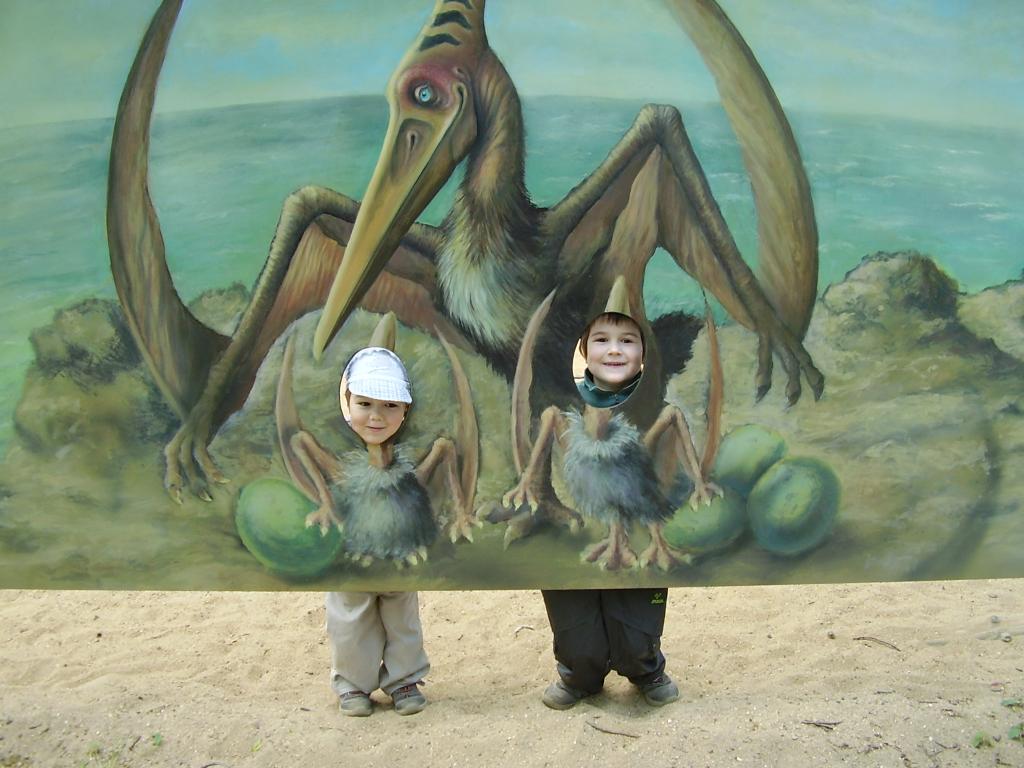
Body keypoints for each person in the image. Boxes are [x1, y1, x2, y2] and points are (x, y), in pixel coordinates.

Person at [541, 309, 679, 710]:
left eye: (627, 341)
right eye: (602, 340)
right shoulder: (562, 400)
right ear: (583, 349)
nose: (614, 350)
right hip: (585, 515)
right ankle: (578, 674)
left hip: (634, 517)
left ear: (643, 352)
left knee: (636, 623)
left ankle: (645, 668)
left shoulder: (650, 402)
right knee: (576, 624)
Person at [325, 346, 430, 717]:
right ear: (347, 402)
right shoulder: (336, 451)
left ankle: (404, 680)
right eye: (365, 403)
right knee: (349, 613)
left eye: (389, 405)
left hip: (398, 544)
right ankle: (352, 684)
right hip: (354, 546)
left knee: (402, 613)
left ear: (406, 410)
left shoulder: (410, 453)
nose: (375, 416)